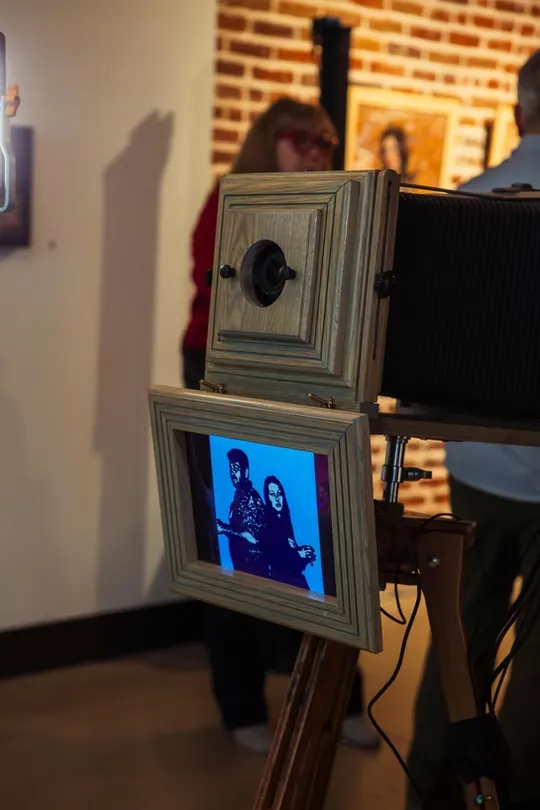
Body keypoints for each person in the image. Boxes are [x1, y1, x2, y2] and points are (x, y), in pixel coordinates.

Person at [182, 97, 380, 754]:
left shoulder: (333, 202)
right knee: (231, 543)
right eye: (303, 139)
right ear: (269, 141)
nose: (320, 148)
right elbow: (223, 286)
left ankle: (335, 701)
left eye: (327, 139)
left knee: (325, 533)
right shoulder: (232, 200)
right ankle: (242, 708)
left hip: (307, 372)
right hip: (228, 366)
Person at [405, 50, 540, 810]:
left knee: (457, 653)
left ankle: (428, 791)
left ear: (520, 111)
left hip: (477, 474)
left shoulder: (465, 202)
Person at [217, 449, 267, 578]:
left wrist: (224, 528)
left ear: (246, 471)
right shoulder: (239, 497)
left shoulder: (251, 497)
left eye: (236, 468)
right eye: (231, 469)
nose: (233, 473)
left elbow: (253, 536)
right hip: (242, 568)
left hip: (254, 570)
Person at [263, 475, 316, 590]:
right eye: (272, 494)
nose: (277, 498)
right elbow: (278, 561)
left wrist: (304, 554)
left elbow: (291, 560)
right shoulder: (268, 525)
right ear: (267, 497)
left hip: (291, 578)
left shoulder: (285, 520)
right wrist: (299, 554)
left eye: (279, 493)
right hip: (279, 582)